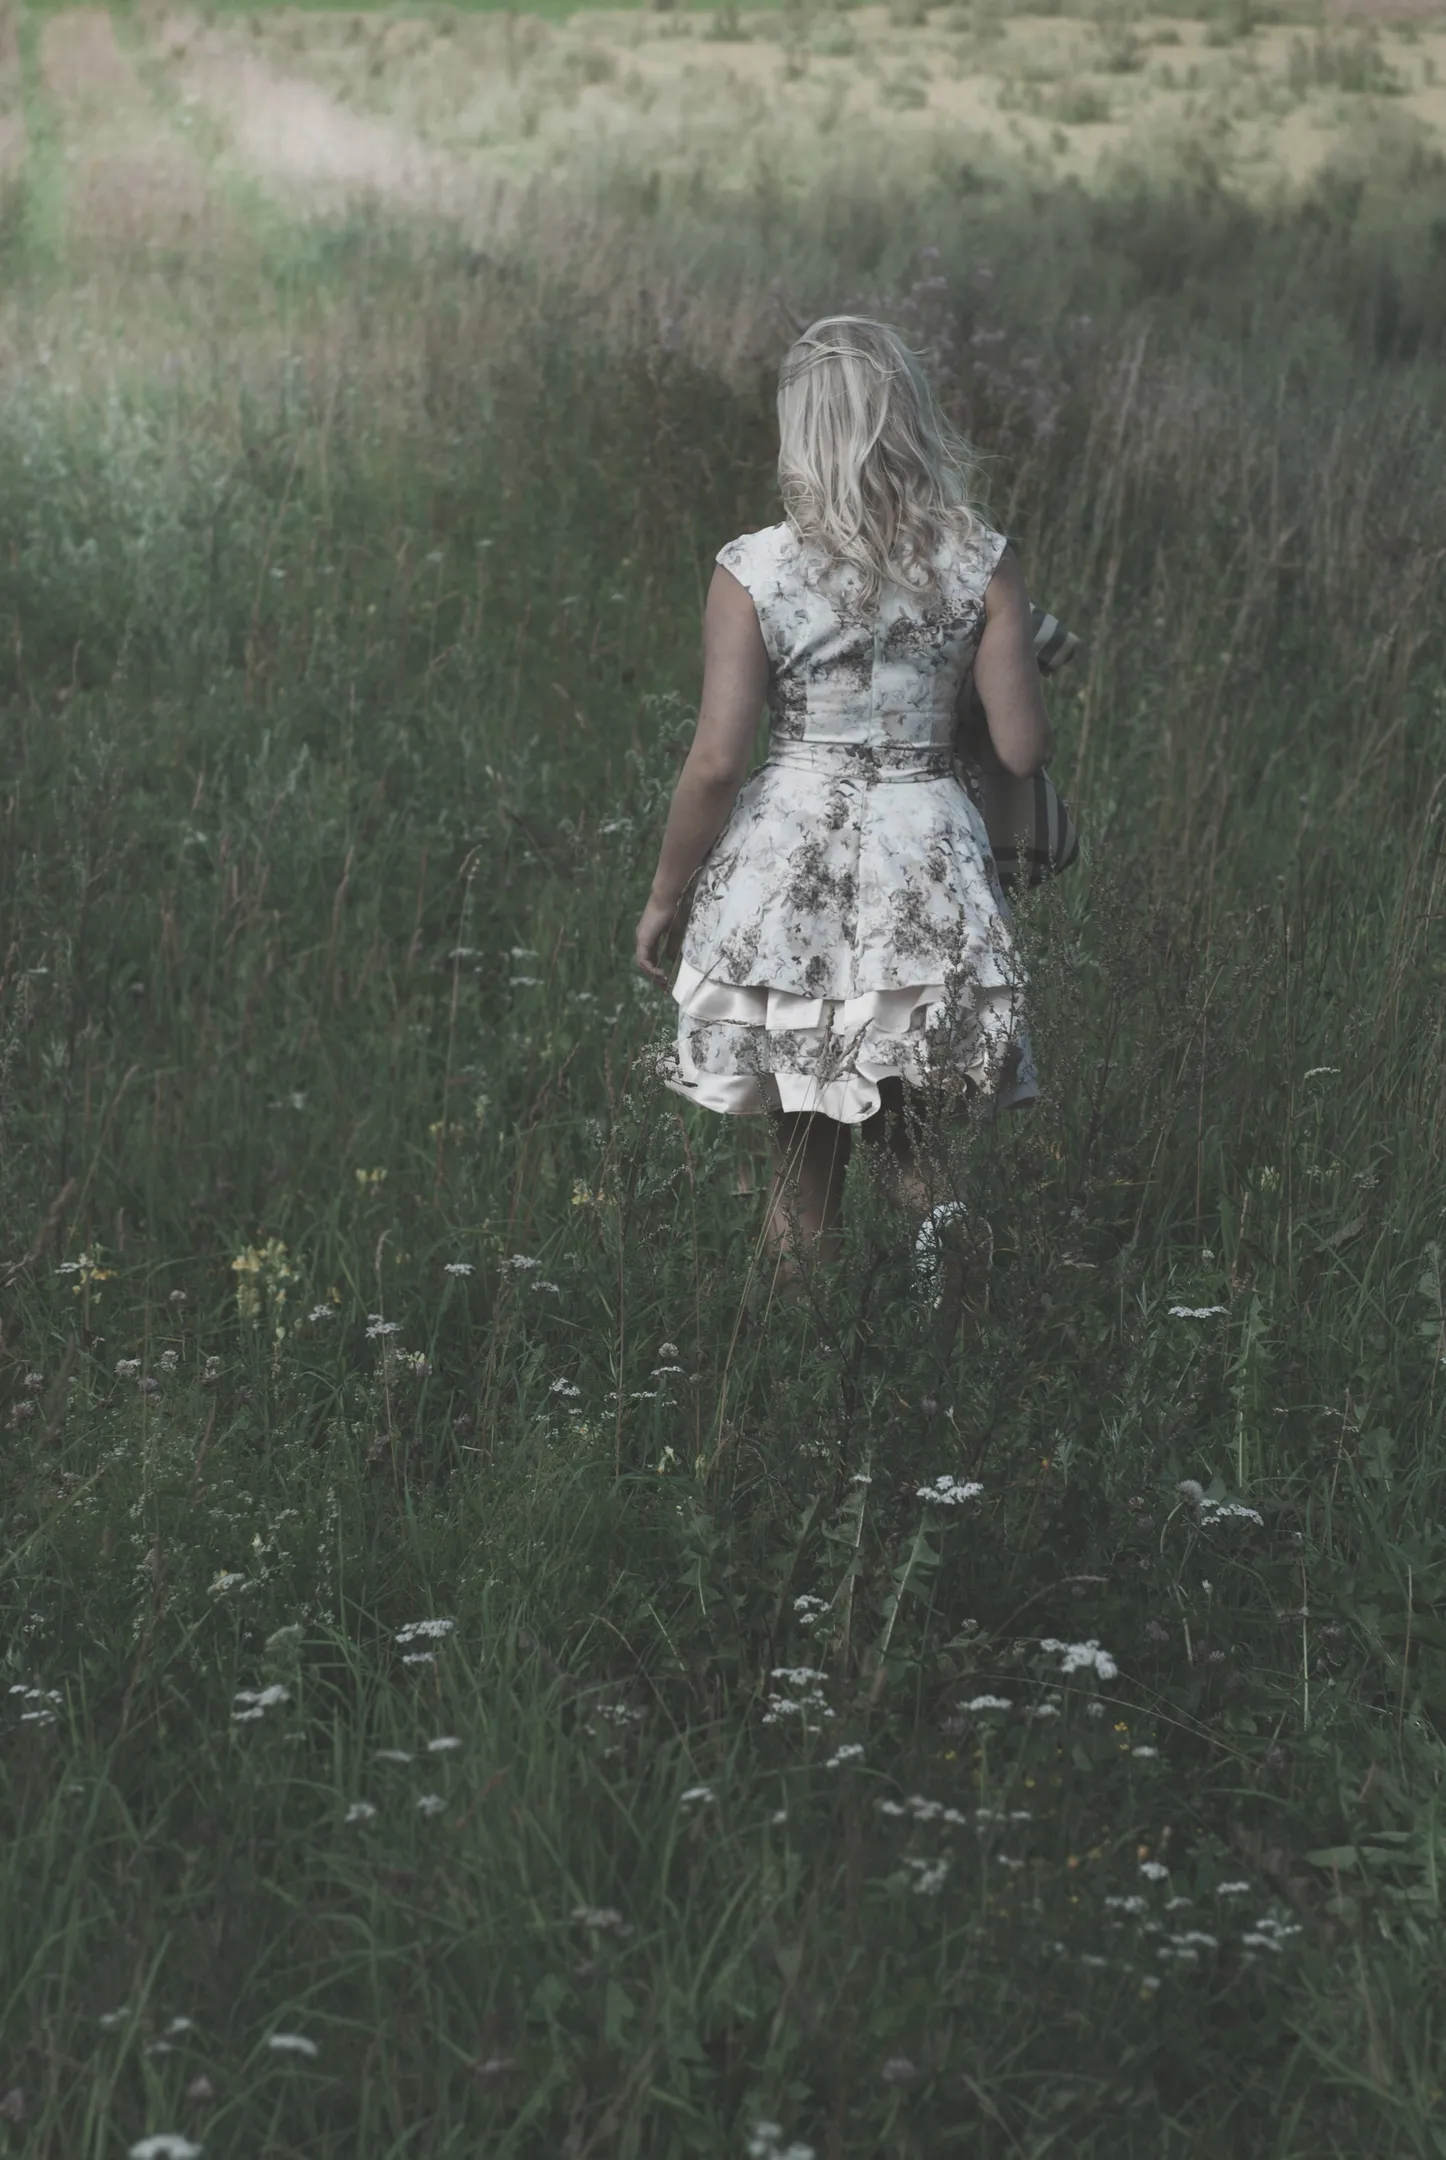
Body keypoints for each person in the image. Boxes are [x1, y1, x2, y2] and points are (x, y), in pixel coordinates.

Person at [634, 315, 1054, 1301]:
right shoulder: (980, 562)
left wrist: (667, 895)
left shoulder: (757, 569)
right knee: (906, 1121)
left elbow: (715, 762)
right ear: (908, 419)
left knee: (804, 1141)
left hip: (797, 866)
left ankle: (800, 1363)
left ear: (802, 432)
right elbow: (1025, 750)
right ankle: (952, 1267)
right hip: (928, 855)